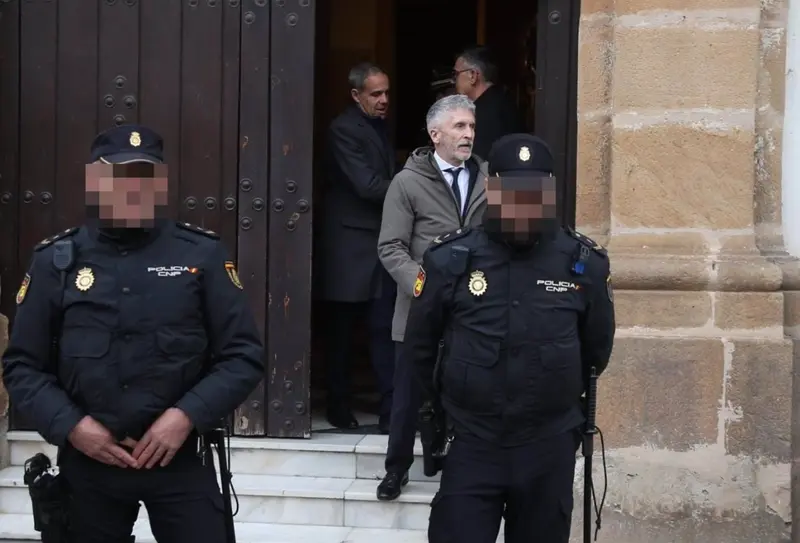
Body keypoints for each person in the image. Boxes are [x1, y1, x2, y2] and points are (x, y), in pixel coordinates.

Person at [2, 124, 264, 543]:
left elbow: (243, 356)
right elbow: (21, 367)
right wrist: (72, 426)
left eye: (145, 177)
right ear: (96, 181)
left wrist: (184, 417)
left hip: (179, 461)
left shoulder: (200, 255)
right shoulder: (56, 262)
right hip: (89, 467)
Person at [404, 133, 616, 543]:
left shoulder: (583, 264)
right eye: (513, 191)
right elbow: (421, 348)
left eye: (534, 192)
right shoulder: (450, 258)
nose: (524, 202)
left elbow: (596, 350)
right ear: (491, 188)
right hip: (472, 441)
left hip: (547, 445)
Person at [376, 94, 488, 500]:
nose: (468, 135)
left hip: (473, 308)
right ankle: (395, 470)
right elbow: (390, 247)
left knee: (465, 388)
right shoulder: (407, 182)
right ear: (434, 133)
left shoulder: (487, 178)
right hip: (419, 307)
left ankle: (453, 462)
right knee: (408, 392)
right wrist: (422, 285)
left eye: (471, 127)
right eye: (459, 127)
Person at [316, 62, 396, 431]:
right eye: (375, 94)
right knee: (343, 334)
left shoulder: (378, 126)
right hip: (349, 246)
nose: (383, 100)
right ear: (356, 95)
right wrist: (413, 188)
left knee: (383, 328)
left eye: (386, 93)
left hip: (377, 244)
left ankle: (390, 410)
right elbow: (366, 186)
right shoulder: (343, 129)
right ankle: (338, 406)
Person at [453, 46, 526, 159]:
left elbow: (479, 162)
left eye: (456, 74)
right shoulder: (504, 101)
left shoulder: (482, 114)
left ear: (473, 75)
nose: (453, 80)